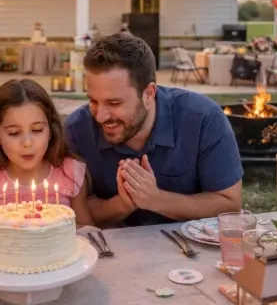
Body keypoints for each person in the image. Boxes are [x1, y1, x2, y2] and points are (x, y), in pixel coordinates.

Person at [65, 33, 243, 227]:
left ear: (149, 94)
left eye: (114, 103)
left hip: (193, 248)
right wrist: (124, 203)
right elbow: (77, 215)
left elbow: (229, 204)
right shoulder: (77, 130)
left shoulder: (203, 118)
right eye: (93, 101)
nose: (100, 116)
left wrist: (157, 200)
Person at [0, 79, 94, 245]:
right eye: (14, 133)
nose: (27, 143)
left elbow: (87, 233)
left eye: (37, 130)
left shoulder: (70, 172)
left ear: (50, 130)